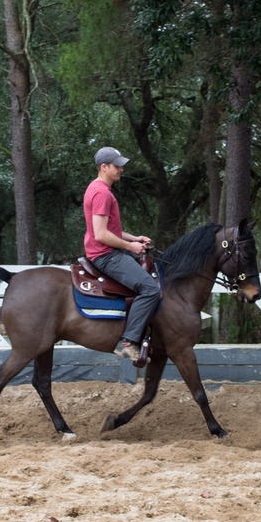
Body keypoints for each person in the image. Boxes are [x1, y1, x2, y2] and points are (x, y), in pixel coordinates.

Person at [83, 146, 161, 362]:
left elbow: (111, 230)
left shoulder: (97, 188)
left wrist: (133, 238)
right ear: (104, 167)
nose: (121, 170)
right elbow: (100, 234)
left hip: (107, 249)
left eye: (121, 166)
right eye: (117, 166)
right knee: (150, 289)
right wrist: (130, 247)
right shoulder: (101, 193)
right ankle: (128, 342)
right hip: (106, 255)